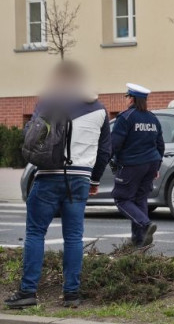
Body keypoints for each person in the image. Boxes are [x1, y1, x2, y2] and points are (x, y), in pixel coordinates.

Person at [5, 61, 111, 310]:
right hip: (80, 179)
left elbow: (30, 136)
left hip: (48, 176)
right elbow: (105, 150)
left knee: (35, 232)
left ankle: (28, 291)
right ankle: (71, 294)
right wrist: (94, 180)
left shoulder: (50, 101)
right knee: (73, 237)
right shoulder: (100, 109)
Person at [110, 83, 164, 249]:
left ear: (132, 99)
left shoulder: (125, 117)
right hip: (151, 163)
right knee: (140, 199)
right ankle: (139, 240)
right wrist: (156, 167)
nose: (126, 99)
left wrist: (104, 161)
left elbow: (114, 145)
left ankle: (145, 224)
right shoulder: (153, 118)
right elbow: (160, 145)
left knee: (121, 199)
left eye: (127, 96)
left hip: (132, 164)